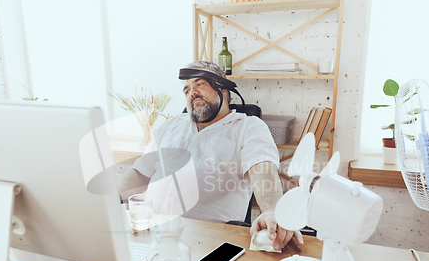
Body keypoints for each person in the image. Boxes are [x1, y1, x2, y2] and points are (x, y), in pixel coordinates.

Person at [117, 61, 303, 251]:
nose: (192, 92)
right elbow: (140, 173)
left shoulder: (248, 126)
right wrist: (106, 198)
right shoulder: (171, 125)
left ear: (222, 88)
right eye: (187, 90)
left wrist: (272, 210)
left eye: (199, 84)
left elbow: (262, 168)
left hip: (211, 242)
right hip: (151, 235)